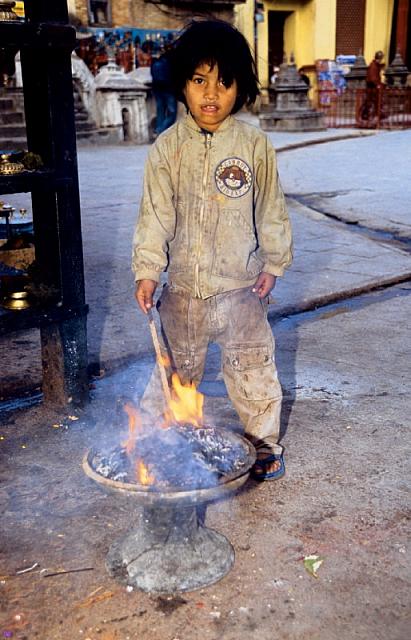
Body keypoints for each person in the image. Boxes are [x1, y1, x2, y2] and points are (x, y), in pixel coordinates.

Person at [132, 20, 293, 481]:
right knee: (172, 374)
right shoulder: (167, 149)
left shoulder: (254, 146)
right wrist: (147, 269)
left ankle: (263, 444)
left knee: (252, 369)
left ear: (240, 90)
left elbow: (272, 210)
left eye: (224, 83)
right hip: (182, 292)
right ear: (182, 82)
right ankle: (151, 442)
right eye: (199, 80)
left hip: (241, 289)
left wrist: (274, 263)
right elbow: (154, 216)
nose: (210, 94)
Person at [150, 48, 178, 136]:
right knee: (172, 113)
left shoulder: (154, 63)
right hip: (169, 89)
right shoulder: (170, 62)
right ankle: (161, 130)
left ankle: (159, 130)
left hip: (157, 89)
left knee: (160, 111)